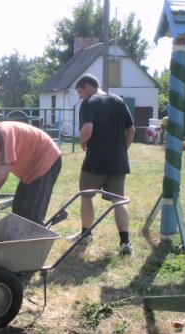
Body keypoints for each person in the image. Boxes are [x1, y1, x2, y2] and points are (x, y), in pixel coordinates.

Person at [72, 74, 136, 256]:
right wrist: (123, 150)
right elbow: (131, 130)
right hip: (118, 161)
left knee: (86, 196)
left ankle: (86, 234)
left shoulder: (89, 102)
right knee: (118, 200)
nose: (79, 96)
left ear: (87, 86)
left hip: (96, 160)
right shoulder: (119, 101)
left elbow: (87, 129)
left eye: (79, 92)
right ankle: (125, 242)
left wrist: (82, 141)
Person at [0, 114, 62, 225]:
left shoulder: (1, 133)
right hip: (31, 169)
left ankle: (35, 239)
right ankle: (21, 240)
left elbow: (5, 167)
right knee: (18, 209)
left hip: (47, 159)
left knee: (32, 214)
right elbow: (3, 171)